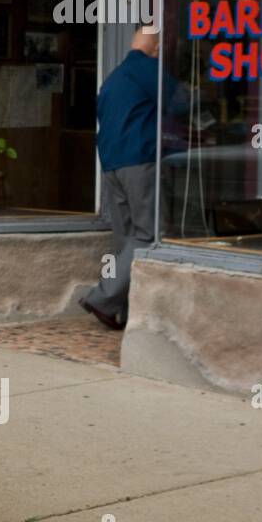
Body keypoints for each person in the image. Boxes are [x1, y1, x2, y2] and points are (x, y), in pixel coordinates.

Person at [81, 25, 166, 330]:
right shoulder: (148, 68)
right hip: (138, 160)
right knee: (147, 236)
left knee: (127, 238)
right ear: (156, 48)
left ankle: (127, 311)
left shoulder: (113, 77)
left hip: (110, 163)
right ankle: (103, 298)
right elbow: (181, 103)